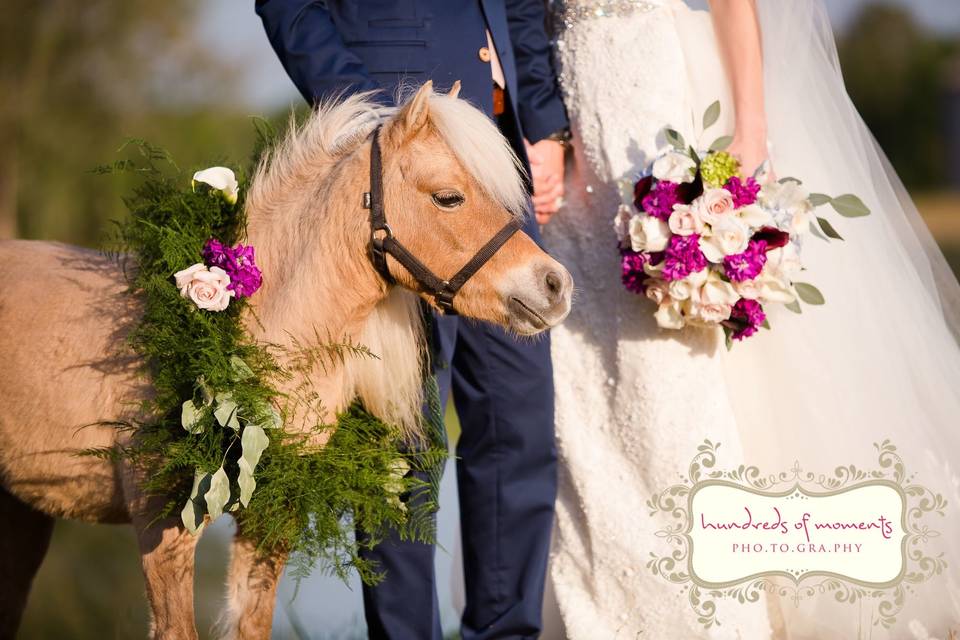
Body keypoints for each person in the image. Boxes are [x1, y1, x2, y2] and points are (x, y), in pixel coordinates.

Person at [540, 0, 960, 637]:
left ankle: (714, 608)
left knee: (676, 372)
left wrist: (751, 133)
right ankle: (605, 612)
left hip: (659, 108)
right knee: (583, 380)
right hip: (574, 134)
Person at [255, 1, 571, 638]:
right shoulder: (385, 138)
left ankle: (507, 632)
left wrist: (544, 125)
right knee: (402, 438)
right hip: (400, 170)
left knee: (519, 423)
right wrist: (372, 120)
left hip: (497, 160)